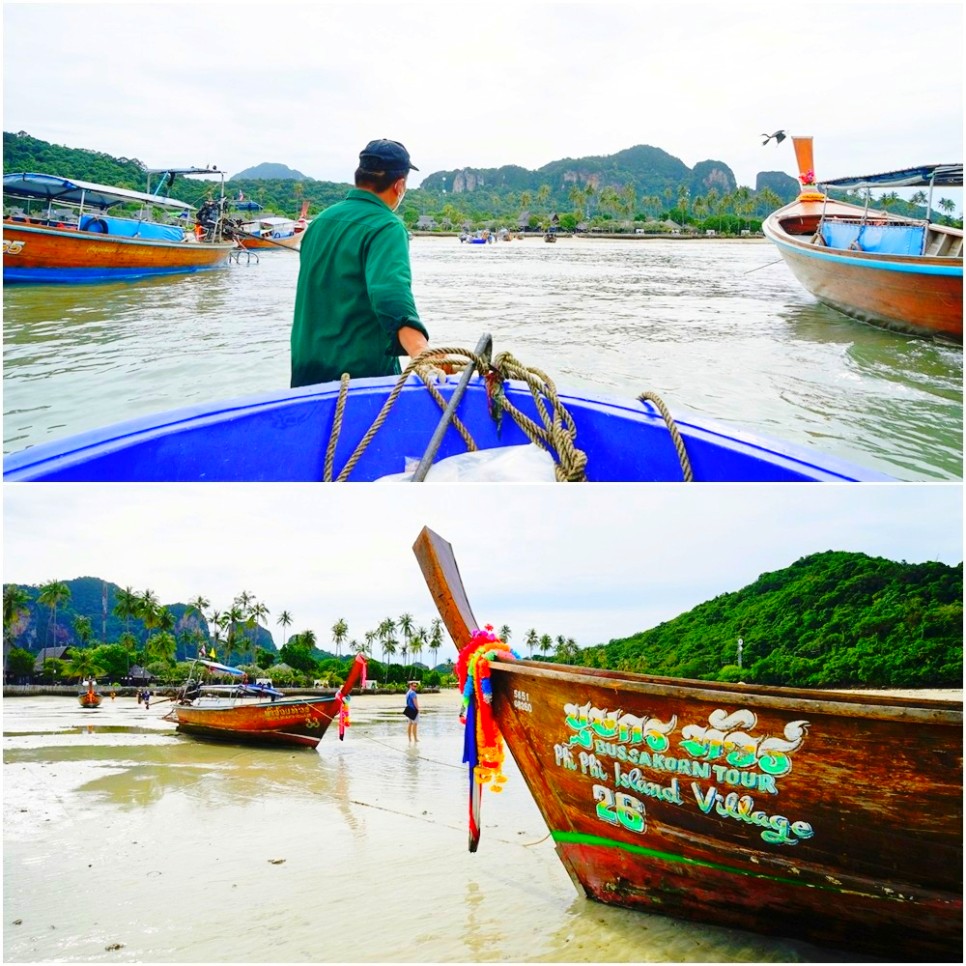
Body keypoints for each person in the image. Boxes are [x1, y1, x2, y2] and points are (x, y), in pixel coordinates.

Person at [290, 139, 430, 387]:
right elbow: (390, 293)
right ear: (399, 186)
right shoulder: (387, 226)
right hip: (359, 375)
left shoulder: (320, 222)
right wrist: (421, 351)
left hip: (306, 369)